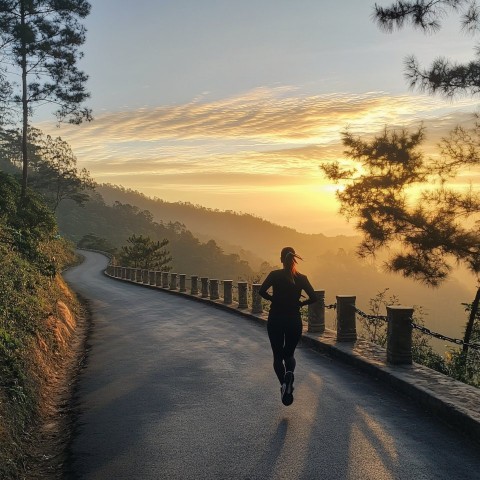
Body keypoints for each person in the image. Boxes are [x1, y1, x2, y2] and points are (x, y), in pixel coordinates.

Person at [259, 247, 317, 406]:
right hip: (294, 319)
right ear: (293, 259)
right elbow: (314, 297)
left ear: (281, 259)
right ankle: (289, 374)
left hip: (276, 318)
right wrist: (300, 303)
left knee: (277, 356)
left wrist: (273, 300)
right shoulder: (302, 278)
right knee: (289, 354)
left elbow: (261, 291)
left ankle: (284, 384)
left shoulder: (274, 275)